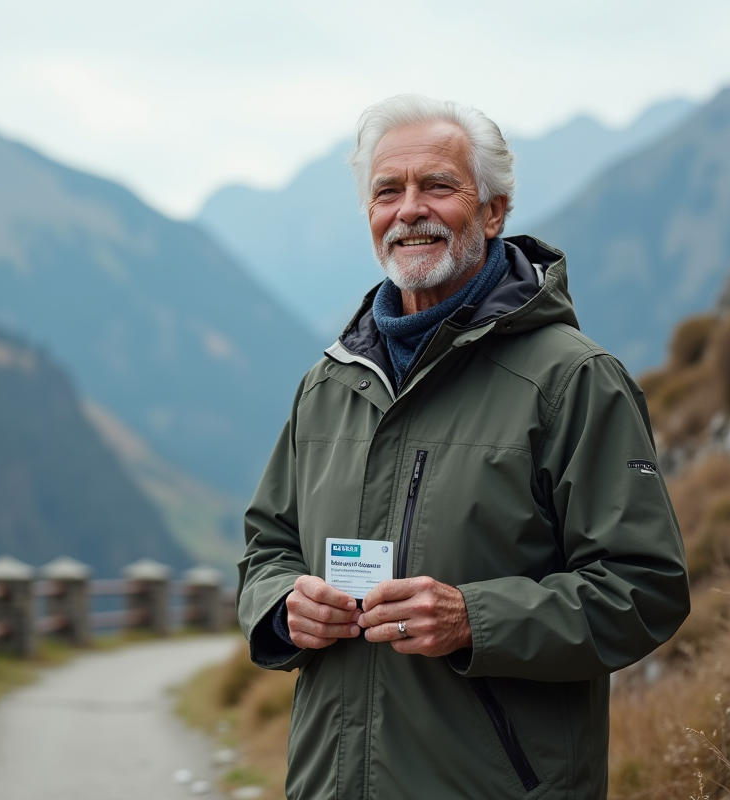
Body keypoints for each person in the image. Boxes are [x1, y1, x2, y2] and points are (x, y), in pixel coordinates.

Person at [236, 94, 690, 800]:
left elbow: (644, 589)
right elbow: (268, 544)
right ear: (370, 216)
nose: (409, 209)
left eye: (437, 186)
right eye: (388, 191)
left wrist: (474, 619)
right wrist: (282, 605)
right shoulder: (328, 384)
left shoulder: (571, 380)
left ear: (493, 211)